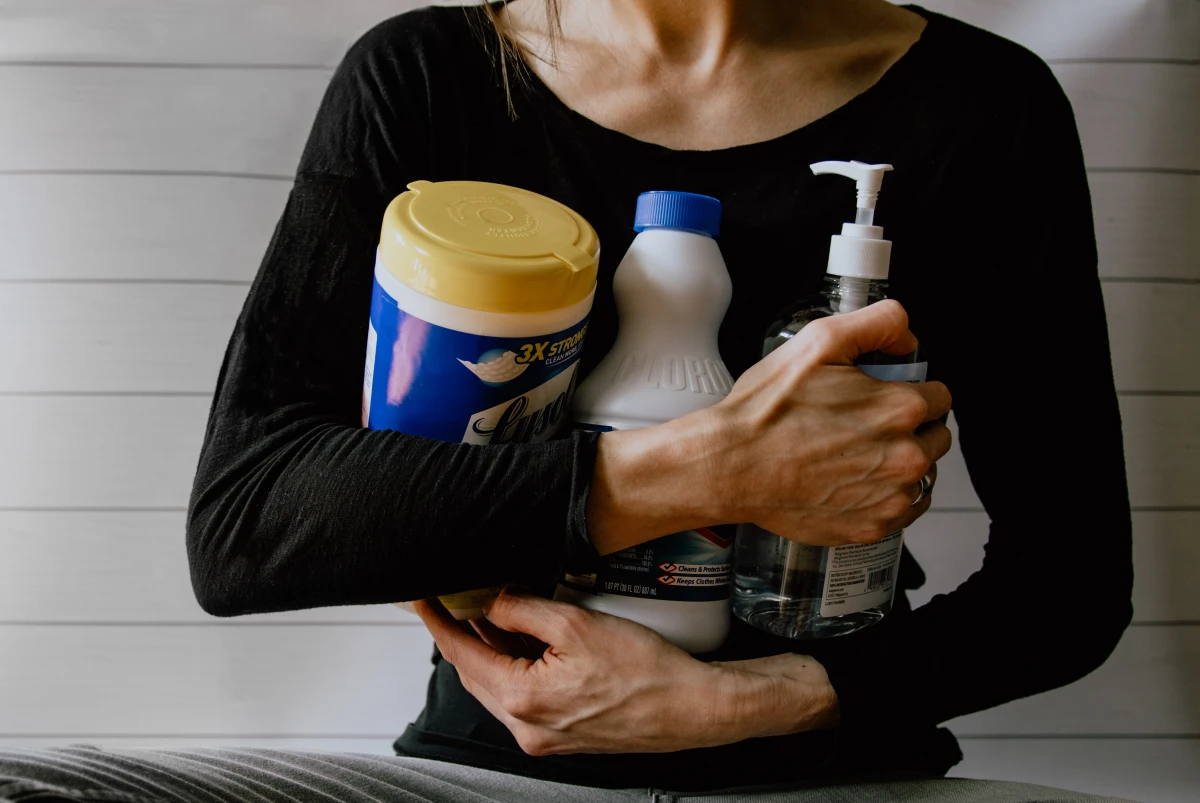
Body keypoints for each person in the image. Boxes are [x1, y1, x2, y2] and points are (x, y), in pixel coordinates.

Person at [0, 1, 1133, 801]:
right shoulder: (433, 75)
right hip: (491, 771)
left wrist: (745, 703)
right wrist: (710, 469)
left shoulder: (982, 107)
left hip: (840, 769)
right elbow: (249, 525)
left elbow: (1070, 587)